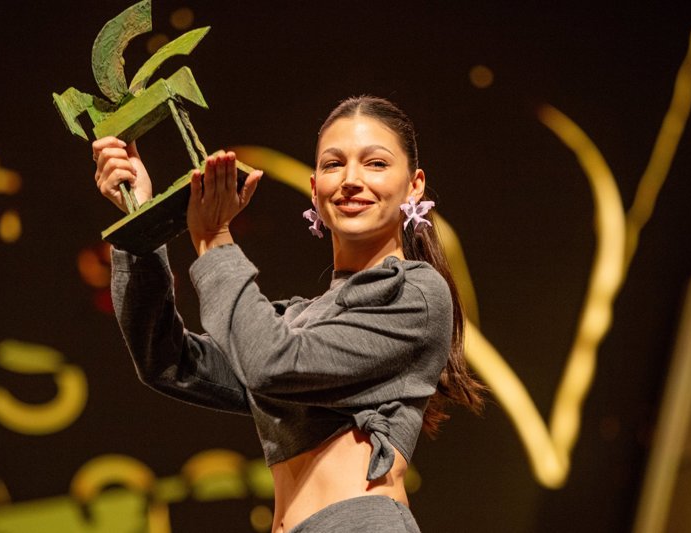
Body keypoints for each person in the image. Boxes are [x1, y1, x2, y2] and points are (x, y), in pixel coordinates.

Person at [92, 96, 485, 533]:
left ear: (414, 186)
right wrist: (140, 220)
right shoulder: (301, 321)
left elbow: (272, 362)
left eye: (375, 163)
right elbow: (167, 361)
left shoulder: (414, 292)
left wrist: (215, 240)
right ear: (315, 189)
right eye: (334, 165)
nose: (351, 180)